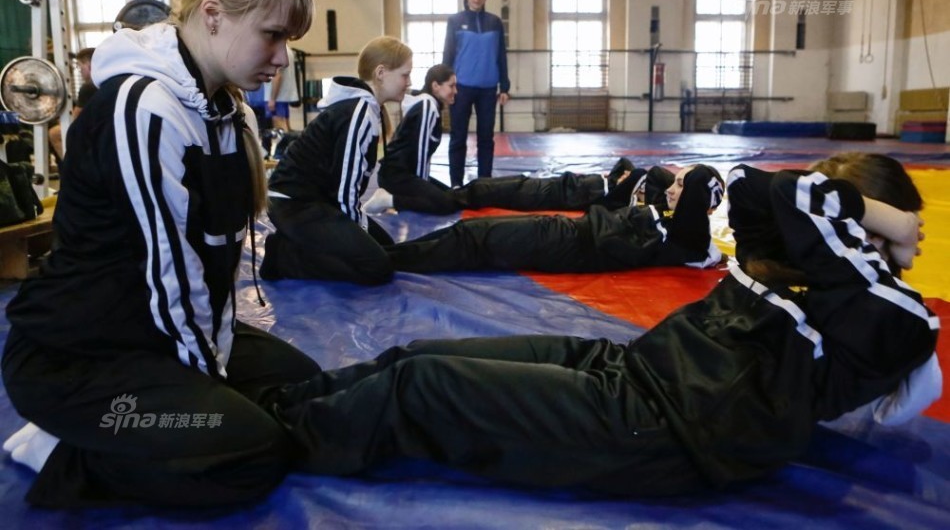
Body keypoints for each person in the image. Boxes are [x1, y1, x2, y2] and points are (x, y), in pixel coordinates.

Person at [268, 152, 940, 496]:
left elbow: (800, 196)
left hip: (660, 433)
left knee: (421, 388)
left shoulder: (896, 317)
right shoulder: (792, 264)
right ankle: (277, 400)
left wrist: (895, 227)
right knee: (417, 350)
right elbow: (746, 185)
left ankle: (257, 440)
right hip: (632, 368)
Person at [1, 0, 323, 508]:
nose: (281, 59)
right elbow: (172, 274)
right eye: (273, 36)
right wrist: (210, 387)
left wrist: (216, 365)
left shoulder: (226, 108)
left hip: (146, 336)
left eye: (288, 40)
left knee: (300, 384)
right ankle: (59, 453)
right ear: (214, 15)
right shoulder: (144, 107)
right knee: (254, 454)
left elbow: (217, 264)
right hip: (77, 358)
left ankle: (165, 422)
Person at [367, 63, 649, 216]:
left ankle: (398, 196)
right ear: (436, 86)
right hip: (398, 177)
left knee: (450, 195)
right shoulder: (428, 104)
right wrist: (413, 194)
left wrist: (422, 188)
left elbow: (417, 157)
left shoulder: (428, 105)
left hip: (401, 174)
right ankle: (388, 198)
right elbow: (417, 160)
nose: (456, 91)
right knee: (445, 204)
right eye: (452, 86)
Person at [259, 36, 412, 285]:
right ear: (381, 73)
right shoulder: (360, 112)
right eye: (405, 75)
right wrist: (357, 235)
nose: (409, 82)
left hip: (316, 202)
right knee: (377, 267)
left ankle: (301, 244)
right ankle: (285, 257)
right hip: (293, 204)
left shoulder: (366, 109)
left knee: (386, 249)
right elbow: (345, 188)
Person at [385, 163, 725, 274]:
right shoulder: (671, 213)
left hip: (570, 244)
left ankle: (385, 260)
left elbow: (698, 212)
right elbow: (651, 175)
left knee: (475, 238)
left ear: (696, 200)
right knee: (471, 230)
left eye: (681, 186)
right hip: (568, 230)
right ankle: (387, 253)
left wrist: (699, 185)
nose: (671, 190)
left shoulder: (689, 238)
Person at [443, 0, 510, 188]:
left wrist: (504, 86)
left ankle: (485, 184)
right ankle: (455, 183)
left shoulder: (495, 22)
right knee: (458, 137)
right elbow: (448, 55)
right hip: (461, 88)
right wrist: (446, 85)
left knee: (485, 138)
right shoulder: (454, 21)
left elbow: (501, 55)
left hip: (488, 89)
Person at [49, 47, 95, 161]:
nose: (79, 71)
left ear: (89, 64)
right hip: (99, 125)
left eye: (80, 66)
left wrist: (62, 121)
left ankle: (73, 167)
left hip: (93, 128)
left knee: (54, 133)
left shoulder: (88, 86)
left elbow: (75, 116)